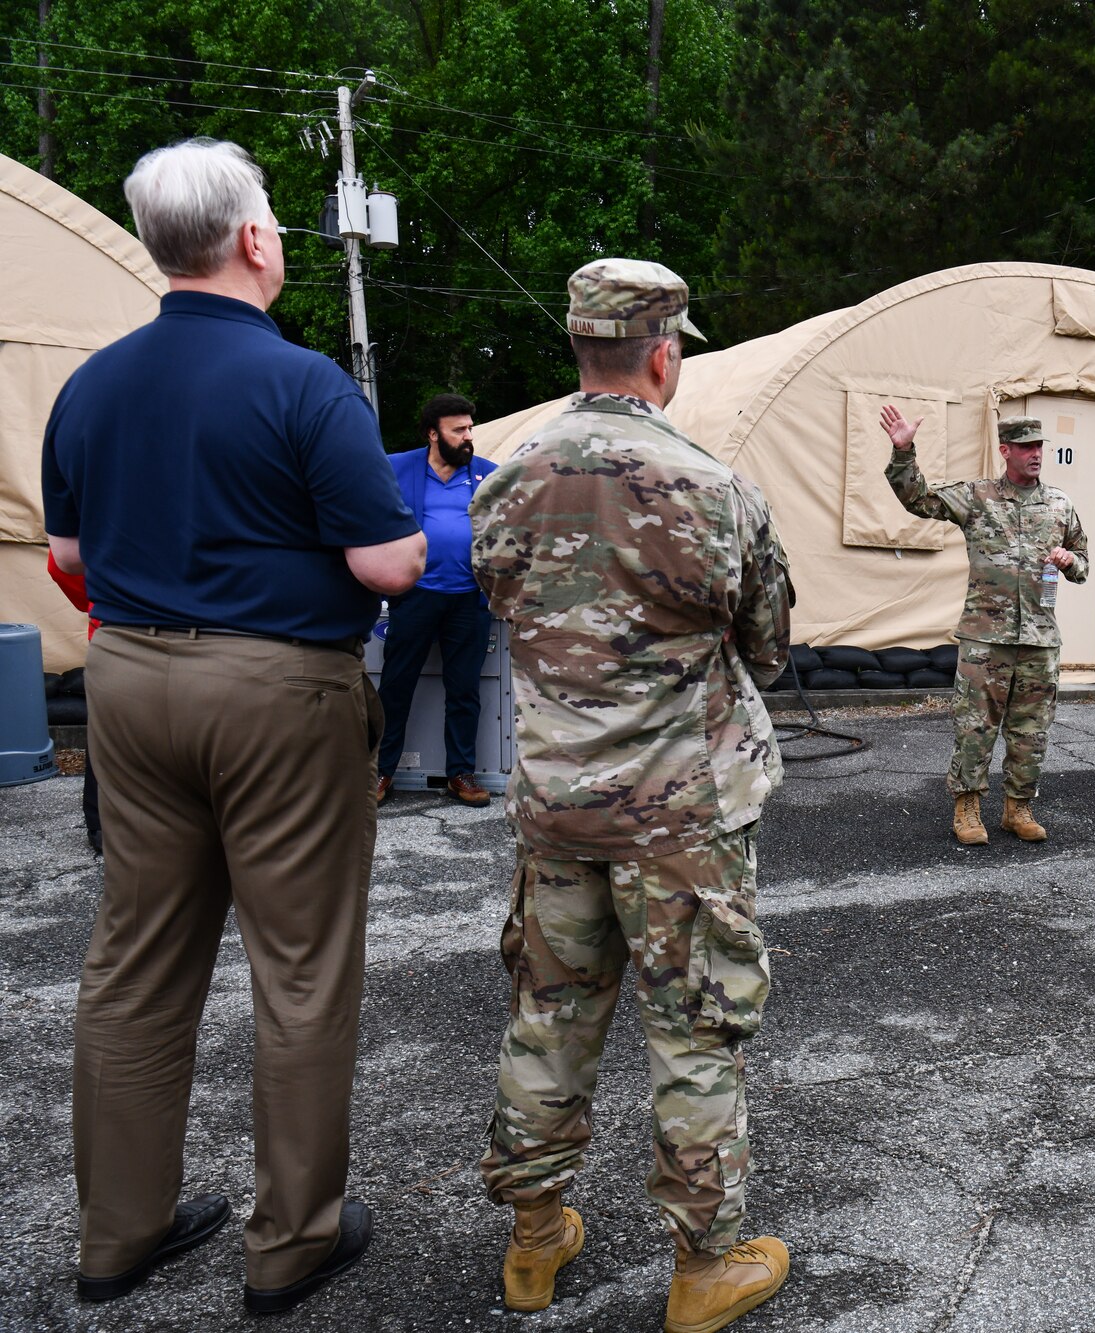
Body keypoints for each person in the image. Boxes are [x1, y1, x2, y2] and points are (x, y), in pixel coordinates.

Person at [40, 138, 423, 1313]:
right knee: (299, 970)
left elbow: (69, 560)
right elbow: (385, 564)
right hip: (274, 692)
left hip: (126, 681)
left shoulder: (91, 385)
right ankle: (290, 1239)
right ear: (257, 241)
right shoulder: (305, 384)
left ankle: (119, 1233)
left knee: (135, 961)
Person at [470, 258, 794, 1333]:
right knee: (694, 1030)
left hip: (556, 803)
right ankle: (703, 1266)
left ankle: (532, 1238)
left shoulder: (504, 481)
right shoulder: (711, 487)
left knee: (548, 1018)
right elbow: (768, 644)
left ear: (580, 346)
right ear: (665, 351)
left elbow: (505, 609)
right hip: (677, 817)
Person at [880, 408, 1088, 845]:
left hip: (1039, 638)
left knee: (1031, 729)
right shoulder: (978, 496)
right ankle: (968, 808)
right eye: (1027, 447)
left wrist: (1071, 562)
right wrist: (903, 451)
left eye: (1040, 446)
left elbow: (1082, 564)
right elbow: (920, 500)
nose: (1036, 454)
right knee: (975, 725)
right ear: (1005, 450)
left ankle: (1019, 807)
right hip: (984, 637)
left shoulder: (1059, 505)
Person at [374, 392, 498, 806]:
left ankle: (460, 773)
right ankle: (379, 772)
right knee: (395, 686)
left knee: (464, 691)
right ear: (433, 433)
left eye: (470, 428)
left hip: (468, 600)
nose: (468, 436)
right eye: (458, 429)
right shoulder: (397, 468)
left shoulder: (487, 475)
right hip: (415, 596)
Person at [46, 552, 101, 854]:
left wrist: (99, 599)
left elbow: (62, 561)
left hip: (117, 629)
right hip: (211, 632)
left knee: (111, 732)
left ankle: (104, 826)